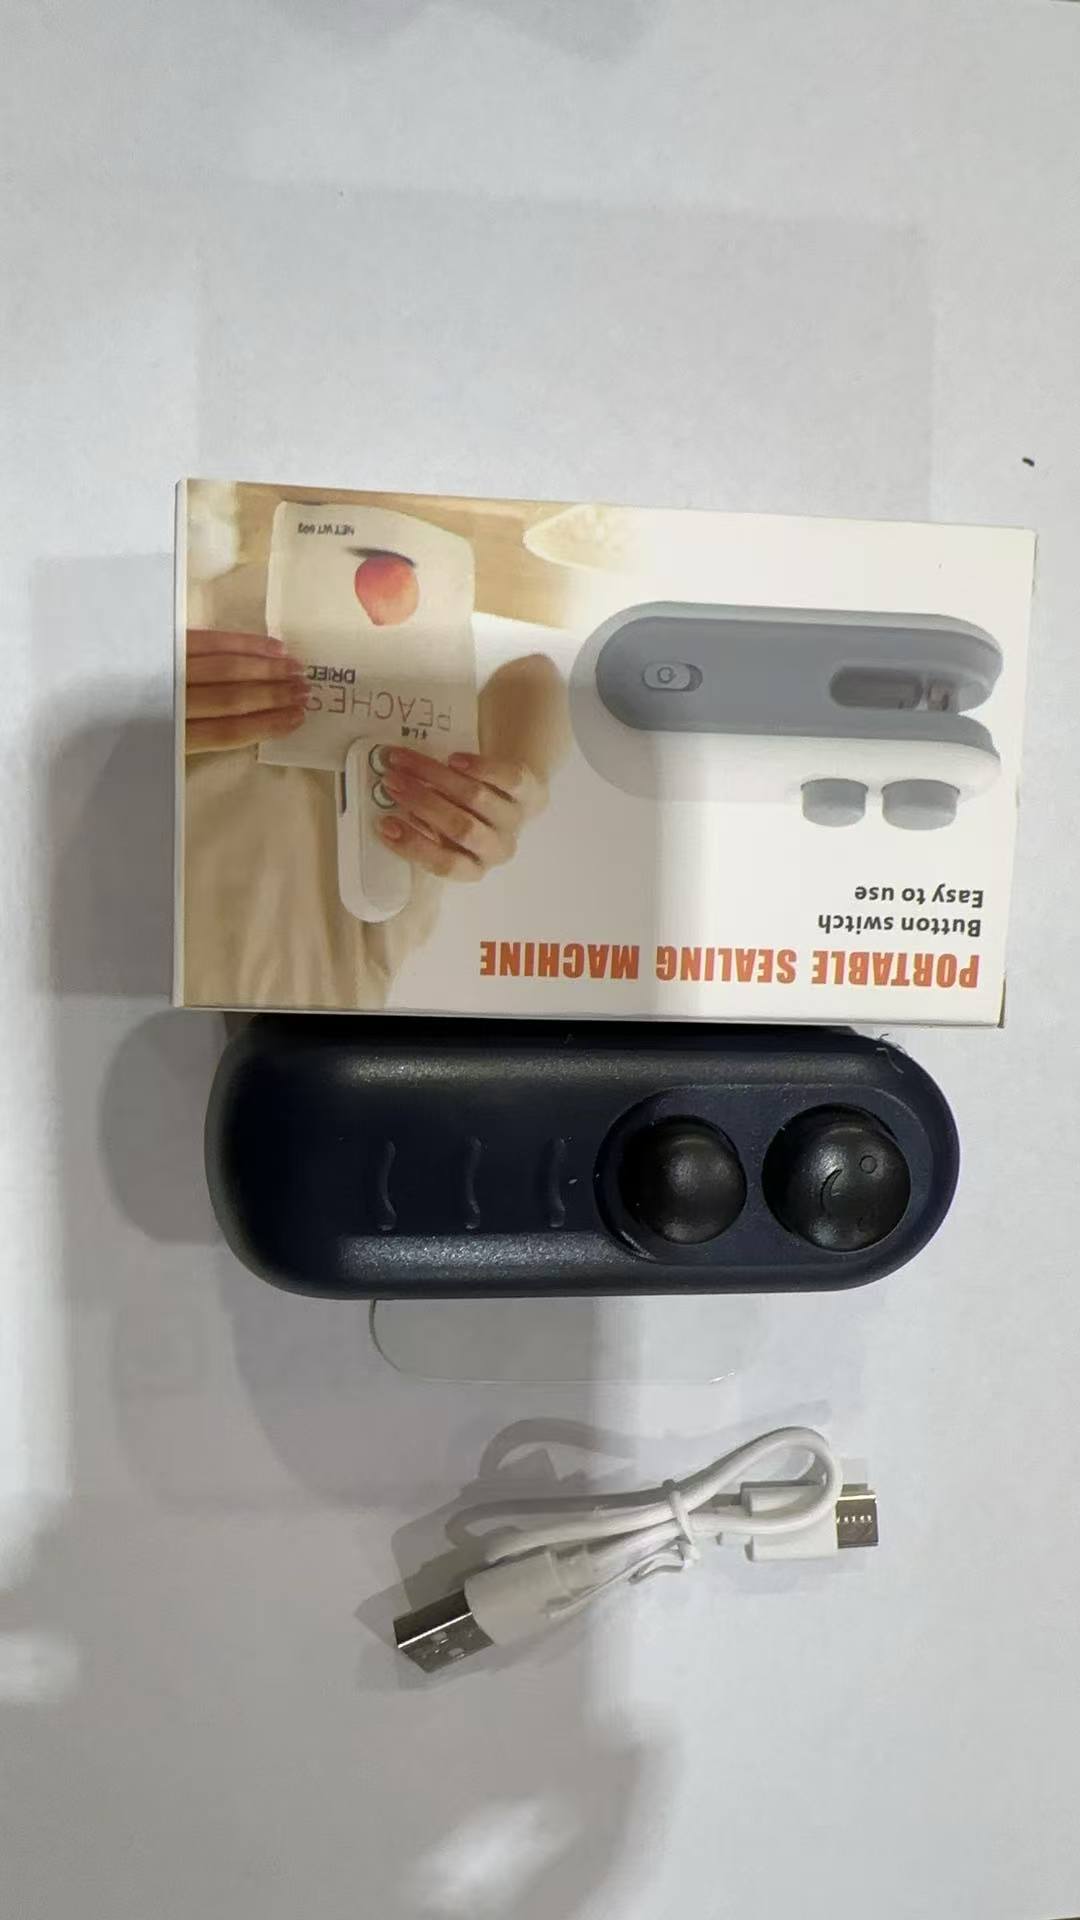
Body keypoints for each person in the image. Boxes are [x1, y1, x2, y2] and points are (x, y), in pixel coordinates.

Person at [182, 520, 569, 1010]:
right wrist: (516, 781)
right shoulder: (356, 968)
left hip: (217, 548)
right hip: (403, 548)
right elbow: (535, 677)